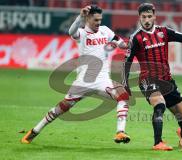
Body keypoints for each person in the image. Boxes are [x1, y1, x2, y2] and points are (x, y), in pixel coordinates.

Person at [21, 5, 130, 144]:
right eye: (96, 20)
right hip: (84, 81)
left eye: (100, 20)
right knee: (62, 108)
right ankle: (34, 131)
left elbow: (121, 43)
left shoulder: (105, 31)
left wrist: (128, 44)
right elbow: (71, 32)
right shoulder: (82, 33)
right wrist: (80, 17)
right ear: (88, 18)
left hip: (102, 80)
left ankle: (120, 132)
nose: (98, 23)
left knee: (123, 96)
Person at [122, 3, 182, 151]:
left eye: (149, 16)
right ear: (139, 18)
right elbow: (127, 62)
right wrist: (125, 84)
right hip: (148, 80)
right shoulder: (136, 38)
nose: (147, 20)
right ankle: (158, 142)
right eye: (143, 17)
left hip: (166, 79)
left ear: (154, 16)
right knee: (160, 104)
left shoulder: (164, 32)